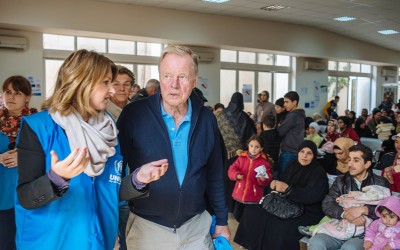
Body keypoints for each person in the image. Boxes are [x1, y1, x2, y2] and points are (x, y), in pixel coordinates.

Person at [14, 50, 168, 249]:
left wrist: (138, 179)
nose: (112, 91)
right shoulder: (39, 128)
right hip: (53, 242)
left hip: (98, 240)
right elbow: (25, 197)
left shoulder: (108, 130)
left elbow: (109, 190)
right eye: (105, 82)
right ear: (81, 82)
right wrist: (56, 179)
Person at [117, 45, 230, 249]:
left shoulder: (206, 119)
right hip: (148, 228)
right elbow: (114, 174)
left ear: (195, 81)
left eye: (183, 77)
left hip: (196, 228)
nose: (174, 85)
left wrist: (221, 220)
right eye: (167, 75)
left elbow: (215, 174)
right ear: (160, 77)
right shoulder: (134, 115)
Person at [234, 140, 328, 250]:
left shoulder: (318, 172)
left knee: (280, 226)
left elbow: (313, 195)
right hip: (286, 203)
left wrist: (288, 190)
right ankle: (250, 245)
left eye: (309, 153)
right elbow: (282, 183)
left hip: (307, 210)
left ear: (314, 156)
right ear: (297, 152)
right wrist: (274, 183)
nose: (304, 156)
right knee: (252, 211)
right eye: (302, 152)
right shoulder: (292, 165)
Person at [308, 144, 390, 250]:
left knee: (350, 247)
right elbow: (328, 204)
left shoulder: (380, 182)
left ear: (367, 164)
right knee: (317, 242)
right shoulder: (340, 180)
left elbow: (389, 210)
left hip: (366, 232)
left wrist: (364, 209)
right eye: (349, 159)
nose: (350, 164)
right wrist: (348, 214)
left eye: (356, 160)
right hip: (340, 226)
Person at [0, 75, 37, 250]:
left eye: (17, 93)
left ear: (27, 97)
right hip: (3, 197)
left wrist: (23, 157)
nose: (11, 97)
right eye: (8, 92)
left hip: (30, 196)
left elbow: (52, 153)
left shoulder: (38, 122)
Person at [105, 65, 136, 250]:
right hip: (106, 186)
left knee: (128, 239)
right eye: (117, 84)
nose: (122, 88)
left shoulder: (136, 112)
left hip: (130, 187)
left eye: (127, 84)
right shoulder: (100, 113)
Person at [228, 135, 272, 221]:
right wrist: (236, 175)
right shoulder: (241, 158)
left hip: (253, 197)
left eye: (257, 147)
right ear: (248, 145)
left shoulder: (264, 162)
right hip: (239, 194)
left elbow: (268, 178)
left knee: (249, 218)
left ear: (261, 149)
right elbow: (232, 169)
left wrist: (263, 180)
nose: (253, 149)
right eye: (251, 146)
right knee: (237, 215)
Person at [276, 91, 306, 178]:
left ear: (295, 102)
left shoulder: (293, 115)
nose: (284, 104)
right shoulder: (300, 114)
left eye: (287, 102)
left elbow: (280, 131)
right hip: (295, 150)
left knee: (282, 178)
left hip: (289, 151)